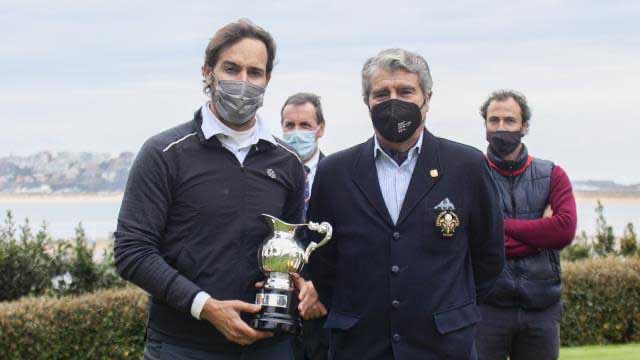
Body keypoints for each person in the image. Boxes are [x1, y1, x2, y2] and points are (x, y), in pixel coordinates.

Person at [114, 19, 321, 359]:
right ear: (207, 73)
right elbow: (132, 251)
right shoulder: (165, 153)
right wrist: (205, 306)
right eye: (231, 69)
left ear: (267, 79)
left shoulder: (287, 163)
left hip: (270, 345)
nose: (243, 82)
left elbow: (291, 247)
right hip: (183, 346)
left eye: (254, 72)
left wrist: (301, 281)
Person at [306, 48, 505, 360]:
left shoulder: (466, 166)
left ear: (426, 98)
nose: (393, 101)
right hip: (360, 346)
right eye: (381, 93)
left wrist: (447, 310)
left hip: (444, 346)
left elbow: (489, 257)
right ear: (367, 102)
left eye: (405, 91)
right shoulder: (336, 172)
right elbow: (322, 261)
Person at [475, 90, 577, 360]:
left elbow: (563, 230)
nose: (500, 128)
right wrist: (539, 235)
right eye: (493, 120)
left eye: (509, 121)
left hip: (541, 308)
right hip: (487, 308)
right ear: (484, 124)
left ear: (524, 127)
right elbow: (471, 238)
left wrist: (500, 227)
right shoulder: (471, 174)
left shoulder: (552, 174)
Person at [280, 92, 329, 360]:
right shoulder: (269, 177)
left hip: (327, 311)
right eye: (289, 126)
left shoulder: (339, 175)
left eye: (305, 126)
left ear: (320, 129)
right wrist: (298, 283)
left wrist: (318, 286)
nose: (296, 133)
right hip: (281, 310)